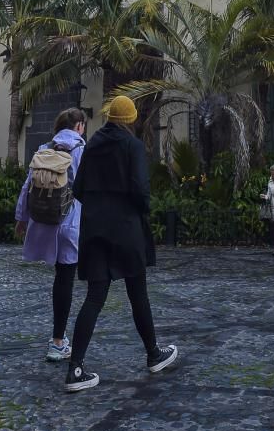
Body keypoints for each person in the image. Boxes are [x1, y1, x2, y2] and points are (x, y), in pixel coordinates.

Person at [64, 95, 178, 392]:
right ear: (131, 119)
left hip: (95, 231)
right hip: (127, 230)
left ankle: (75, 368)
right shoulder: (133, 146)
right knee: (137, 292)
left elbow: (78, 189)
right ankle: (153, 354)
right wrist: (138, 209)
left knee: (94, 297)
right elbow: (141, 191)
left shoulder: (91, 147)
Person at [14, 108, 87, 362]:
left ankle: (58, 340)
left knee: (60, 278)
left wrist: (21, 219)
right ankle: (59, 342)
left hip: (44, 222)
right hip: (70, 221)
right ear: (79, 126)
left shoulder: (44, 148)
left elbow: (27, 187)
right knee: (66, 278)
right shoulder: (80, 150)